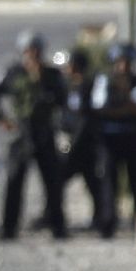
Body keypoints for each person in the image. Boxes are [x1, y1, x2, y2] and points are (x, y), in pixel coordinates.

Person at [0, 30, 67, 240]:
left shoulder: (52, 75)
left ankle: (57, 225)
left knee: (53, 183)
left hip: (43, 133)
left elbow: (62, 99)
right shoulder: (12, 73)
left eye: (36, 50)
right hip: (20, 135)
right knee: (14, 182)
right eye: (28, 50)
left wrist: (41, 81)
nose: (32, 54)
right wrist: (2, 119)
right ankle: (9, 228)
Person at [57, 49, 111, 237]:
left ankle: (102, 222)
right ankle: (55, 217)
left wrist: (75, 143)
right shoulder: (69, 87)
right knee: (57, 182)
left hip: (86, 146)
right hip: (73, 143)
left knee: (95, 185)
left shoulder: (87, 86)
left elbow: (85, 119)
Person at [92, 43, 136, 224]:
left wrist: (124, 97)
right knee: (109, 181)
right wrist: (124, 108)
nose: (123, 67)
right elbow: (100, 107)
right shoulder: (104, 80)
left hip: (134, 138)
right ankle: (108, 221)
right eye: (120, 62)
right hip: (110, 138)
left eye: (127, 63)